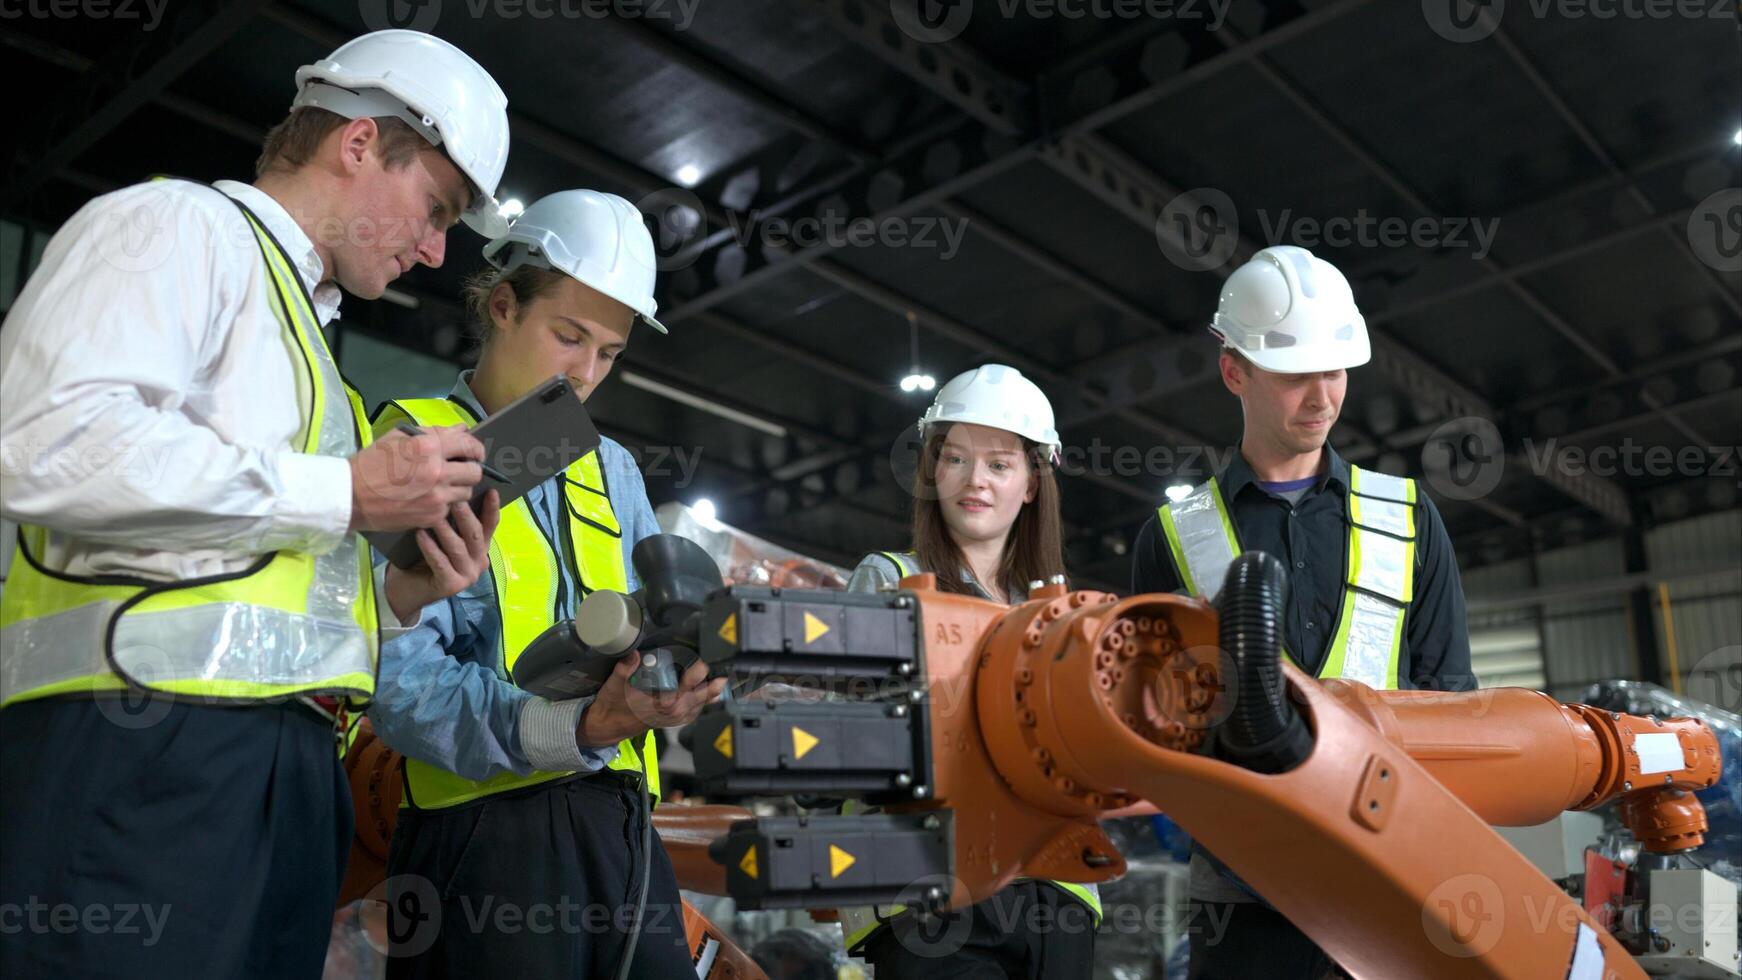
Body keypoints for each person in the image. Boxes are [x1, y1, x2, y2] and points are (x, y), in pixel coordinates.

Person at [0, 29, 511, 978]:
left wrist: (404, 594)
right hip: (137, 746)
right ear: (358, 144)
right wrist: (344, 490)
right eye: (434, 209)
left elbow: (263, 578)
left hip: (283, 772)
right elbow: (45, 445)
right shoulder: (176, 228)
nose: (438, 251)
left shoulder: (318, 361)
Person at [366, 188, 727, 978]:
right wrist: (575, 730)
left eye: (609, 353)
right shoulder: (410, 444)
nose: (587, 373)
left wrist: (681, 677)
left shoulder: (615, 469)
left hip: (621, 824)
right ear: (502, 304)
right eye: (569, 336)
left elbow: (656, 628)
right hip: (482, 834)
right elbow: (395, 679)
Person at [1128, 245, 1476, 979]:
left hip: (1393, 876)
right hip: (1244, 897)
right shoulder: (1172, 537)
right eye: (1294, 376)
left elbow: (1454, 704)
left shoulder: (1410, 518)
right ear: (1235, 372)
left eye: (1336, 370)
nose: (1322, 397)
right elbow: (1153, 727)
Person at [839, 364, 1100, 978]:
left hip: (1058, 891)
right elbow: (843, 732)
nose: (974, 480)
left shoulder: (1061, 611)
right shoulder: (887, 580)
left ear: (1033, 483)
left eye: (1000, 464)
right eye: (955, 459)